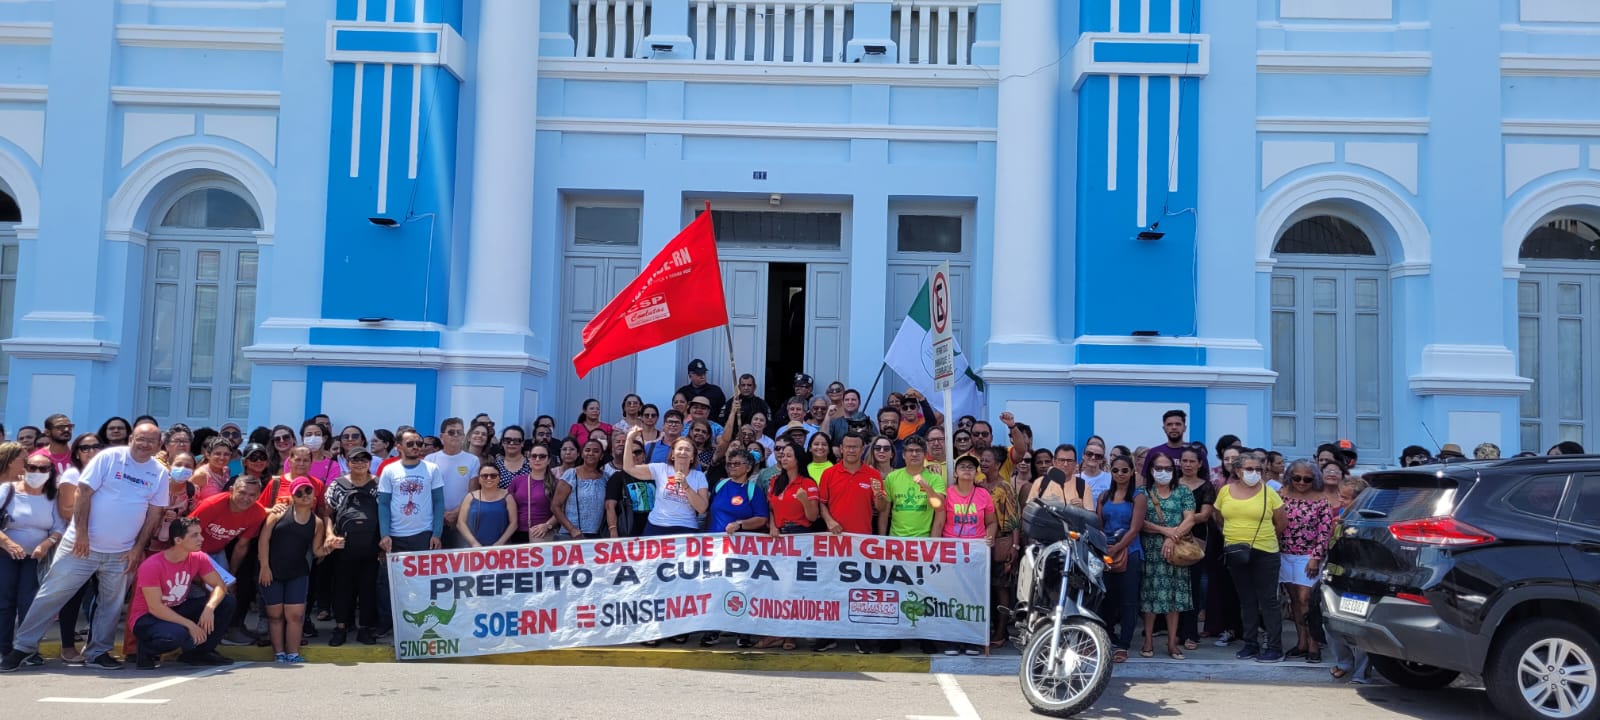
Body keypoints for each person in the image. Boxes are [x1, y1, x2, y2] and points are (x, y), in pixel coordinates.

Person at [3, 422, 169, 672]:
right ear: (131, 438)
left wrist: (137, 549)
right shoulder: (110, 457)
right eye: (141, 439)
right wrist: (81, 533)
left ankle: (98, 652)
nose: (145, 444)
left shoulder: (159, 473)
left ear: (159, 445)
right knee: (50, 596)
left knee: (110, 607)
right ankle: (23, 648)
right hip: (80, 546)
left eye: (151, 441)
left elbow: (155, 514)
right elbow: (83, 492)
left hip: (121, 552)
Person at [127, 517, 236, 669]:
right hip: (148, 617)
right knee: (177, 635)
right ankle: (145, 651)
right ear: (178, 540)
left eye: (200, 533)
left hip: (176, 608)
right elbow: (155, 608)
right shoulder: (152, 565)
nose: (201, 538)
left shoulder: (198, 557)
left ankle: (199, 653)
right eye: (195, 535)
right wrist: (190, 625)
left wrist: (209, 608)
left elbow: (219, 585)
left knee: (226, 602)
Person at [1215, 450, 1287, 663]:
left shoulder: (1269, 493)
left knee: (1268, 601)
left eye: (1258, 469)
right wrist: (1231, 537)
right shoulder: (1225, 491)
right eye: (1249, 469)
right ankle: (1250, 644)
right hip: (1236, 551)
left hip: (1265, 551)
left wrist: (1265, 538)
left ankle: (1274, 647)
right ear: (1237, 470)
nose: (1254, 473)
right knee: (1246, 599)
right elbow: (1219, 517)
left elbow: (1281, 522)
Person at [752, 443, 819, 651]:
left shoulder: (807, 484)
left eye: (789, 455)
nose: (784, 457)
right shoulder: (774, 481)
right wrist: (773, 526)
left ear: (798, 459)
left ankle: (791, 634)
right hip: (779, 538)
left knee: (795, 588)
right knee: (775, 588)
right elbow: (771, 508)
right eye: (782, 455)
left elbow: (812, 516)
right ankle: (775, 633)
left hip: (800, 537)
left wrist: (805, 501)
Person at [701, 448, 769, 648]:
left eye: (737, 464)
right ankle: (713, 629)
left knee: (741, 588)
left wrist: (740, 524)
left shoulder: (753, 490)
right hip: (715, 547)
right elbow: (711, 513)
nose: (732, 467)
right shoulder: (721, 485)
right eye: (730, 464)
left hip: (740, 550)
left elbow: (762, 519)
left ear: (748, 468)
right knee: (715, 587)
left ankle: (744, 630)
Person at [0, 444, 64, 656]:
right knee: (4, 602)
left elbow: (58, 528)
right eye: (32, 467)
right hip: (5, 555)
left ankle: (27, 650)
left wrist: (46, 544)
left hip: (36, 558)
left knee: (30, 604)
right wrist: (9, 543)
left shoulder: (52, 497)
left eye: (43, 469)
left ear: (50, 472)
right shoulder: (7, 490)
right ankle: (3, 649)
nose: (37, 473)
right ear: (25, 468)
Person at [258, 478, 327, 663]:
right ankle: (279, 652)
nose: (304, 496)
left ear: (314, 496)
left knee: (295, 616)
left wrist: (331, 547)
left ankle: (293, 653)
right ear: (292, 496)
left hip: (298, 572)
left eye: (308, 491)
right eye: (299, 493)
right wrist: (264, 567)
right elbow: (263, 540)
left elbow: (317, 551)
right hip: (272, 571)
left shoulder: (317, 522)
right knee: (275, 616)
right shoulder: (278, 514)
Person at [1279, 459, 1337, 663]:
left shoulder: (1321, 500)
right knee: (1293, 599)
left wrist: (1316, 557)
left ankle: (1314, 644)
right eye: (1297, 478)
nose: (1301, 482)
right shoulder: (1281, 495)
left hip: (1308, 556)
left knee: (1306, 600)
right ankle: (1301, 642)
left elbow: (1324, 532)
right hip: (1284, 553)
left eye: (1307, 479)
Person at [1139, 453, 1195, 661]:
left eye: (1168, 468)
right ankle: (1148, 640)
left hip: (1177, 552)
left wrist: (1174, 536)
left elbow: (1189, 519)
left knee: (1174, 599)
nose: (1163, 472)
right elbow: (1140, 522)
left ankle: (1172, 643)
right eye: (1158, 468)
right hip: (1152, 552)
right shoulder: (1142, 492)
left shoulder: (1183, 491)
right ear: (1151, 470)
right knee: (1150, 598)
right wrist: (1166, 532)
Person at [941, 455, 996, 656]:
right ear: (955, 473)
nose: (967, 470)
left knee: (974, 597)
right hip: (952, 552)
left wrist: (990, 538)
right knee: (952, 596)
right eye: (962, 467)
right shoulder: (947, 494)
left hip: (976, 554)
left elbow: (991, 522)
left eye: (971, 467)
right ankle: (953, 639)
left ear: (976, 473)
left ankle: (973, 640)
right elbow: (939, 522)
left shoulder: (983, 495)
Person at [325, 448, 381, 646]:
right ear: (347, 462)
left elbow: (386, 513)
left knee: (368, 588)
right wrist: (330, 534)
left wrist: (385, 540)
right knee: (342, 587)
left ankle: (364, 628)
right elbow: (327, 513)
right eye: (354, 460)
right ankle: (341, 627)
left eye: (364, 460)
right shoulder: (338, 484)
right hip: (343, 545)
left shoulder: (379, 483)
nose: (359, 463)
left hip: (372, 545)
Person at [1097, 454, 1146, 663]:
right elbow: (1097, 524)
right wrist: (1103, 548)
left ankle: (1124, 644)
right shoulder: (1104, 496)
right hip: (1106, 552)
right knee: (1105, 599)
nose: (1120, 474)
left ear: (1132, 472)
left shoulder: (1138, 497)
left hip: (1130, 552)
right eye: (1116, 470)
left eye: (1124, 470)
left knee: (1128, 601)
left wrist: (1117, 548)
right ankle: (1107, 637)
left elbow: (1135, 528)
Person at [621, 429, 709, 537]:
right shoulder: (660, 469)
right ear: (672, 454)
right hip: (657, 525)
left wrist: (686, 486)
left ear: (692, 457)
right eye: (680, 449)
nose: (683, 452)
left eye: (687, 450)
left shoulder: (699, 476)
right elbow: (629, 468)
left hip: (686, 528)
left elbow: (702, 508)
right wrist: (629, 439)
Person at [1325, 475, 1371, 683]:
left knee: (1359, 628)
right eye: (1339, 496)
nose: (1340, 501)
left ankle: (1363, 672)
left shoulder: (1369, 521)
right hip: (1335, 579)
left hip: (1358, 581)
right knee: (1333, 625)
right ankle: (1344, 662)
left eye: (1346, 498)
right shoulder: (1339, 517)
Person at [1175, 446, 1218, 651]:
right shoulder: (1174, 484)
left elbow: (1205, 514)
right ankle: (1176, 632)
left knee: (1192, 587)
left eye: (1192, 461)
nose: (1188, 465)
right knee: (1175, 587)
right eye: (1184, 461)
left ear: (1200, 464)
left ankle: (1190, 633)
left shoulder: (1206, 486)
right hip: (1172, 538)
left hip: (1195, 540)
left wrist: (1183, 522)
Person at [376, 430, 444, 553]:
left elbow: (439, 502)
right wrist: (384, 534)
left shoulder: (432, 469)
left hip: (424, 534)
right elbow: (384, 504)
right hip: (395, 535)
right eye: (410, 443)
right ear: (399, 447)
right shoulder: (389, 470)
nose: (415, 447)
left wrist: (437, 533)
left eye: (419, 443)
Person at [426, 417, 480, 549]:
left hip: (463, 519)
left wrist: (456, 513)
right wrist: (441, 514)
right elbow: (427, 491)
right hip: (435, 520)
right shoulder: (430, 459)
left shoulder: (473, 460)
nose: (456, 435)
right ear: (442, 436)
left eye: (459, 432)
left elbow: (472, 492)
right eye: (451, 432)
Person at [505, 428, 557, 544]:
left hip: (542, 533)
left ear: (548, 460)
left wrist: (547, 526)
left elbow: (560, 510)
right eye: (534, 456)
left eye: (542, 456)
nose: (537, 459)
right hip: (517, 533)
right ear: (529, 459)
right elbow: (508, 508)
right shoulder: (517, 481)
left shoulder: (555, 482)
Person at [552, 438, 608, 539]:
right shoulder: (571, 474)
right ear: (582, 454)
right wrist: (572, 529)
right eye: (587, 450)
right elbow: (555, 506)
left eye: (596, 451)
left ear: (601, 456)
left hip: (598, 535)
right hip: (572, 535)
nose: (591, 453)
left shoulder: (606, 478)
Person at [457, 465, 515, 547]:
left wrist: (500, 543)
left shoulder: (507, 497)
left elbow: (514, 523)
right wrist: (474, 543)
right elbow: (460, 523)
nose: (489, 478)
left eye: (493, 476)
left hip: (502, 548)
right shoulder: (470, 497)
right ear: (479, 479)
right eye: (484, 476)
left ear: (499, 478)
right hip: (474, 548)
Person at [1142, 409, 1193, 481]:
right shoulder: (1153, 452)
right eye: (1169, 424)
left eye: (1178, 424)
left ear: (1184, 428)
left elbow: (1204, 479)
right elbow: (1146, 480)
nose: (1174, 427)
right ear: (1164, 429)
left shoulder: (1196, 452)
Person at [677, 359, 729, 425]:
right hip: (688, 429)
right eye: (699, 374)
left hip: (711, 429)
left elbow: (723, 412)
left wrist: (717, 427)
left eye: (704, 373)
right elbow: (677, 412)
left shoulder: (716, 391)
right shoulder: (683, 392)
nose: (703, 376)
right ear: (690, 376)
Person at [1078, 436, 1112, 501]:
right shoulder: (1075, 478)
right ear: (1083, 455)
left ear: (1102, 459)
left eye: (1098, 456)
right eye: (1089, 454)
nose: (1093, 457)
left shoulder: (1111, 478)